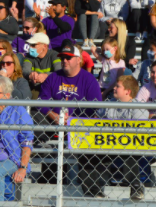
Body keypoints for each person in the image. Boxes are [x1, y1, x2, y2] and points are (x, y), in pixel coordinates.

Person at [38, 40, 102, 197]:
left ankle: (91, 190)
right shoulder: (53, 77)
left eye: (68, 57)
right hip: (54, 123)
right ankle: (46, 181)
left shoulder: (88, 79)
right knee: (35, 118)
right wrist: (53, 115)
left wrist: (73, 119)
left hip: (79, 125)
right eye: (62, 58)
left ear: (78, 59)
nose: (64, 61)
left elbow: (96, 106)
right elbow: (40, 102)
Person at [94, 75, 147, 200]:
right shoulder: (109, 103)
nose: (114, 88)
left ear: (128, 91)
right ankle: (94, 190)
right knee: (88, 154)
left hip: (130, 145)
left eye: (118, 86)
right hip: (109, 144)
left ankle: (136, 189)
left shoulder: (139, 107)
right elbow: (96, 119)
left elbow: (139, 133)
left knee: (130, 152)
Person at [22, 32, 62, 99]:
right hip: (35, 88)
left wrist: (46, 76)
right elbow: (25, 70)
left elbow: (59, 71)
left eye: (33, 45)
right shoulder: (29, 56)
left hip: (52, 89)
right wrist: (30, 74)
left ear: (44, 46)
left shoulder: (55, 55)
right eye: (30, 45)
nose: (30, 47)